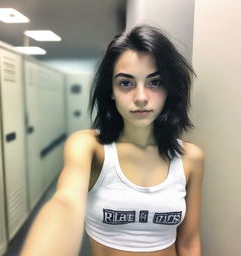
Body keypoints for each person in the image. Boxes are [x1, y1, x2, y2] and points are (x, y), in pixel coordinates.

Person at [21, 25, 204, 256]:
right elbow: (65, 203)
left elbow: (188, 242)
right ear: (111, 90)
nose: (140, 98)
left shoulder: (191, 158)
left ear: (169, 88)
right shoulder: (90, 147)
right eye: (126, 83)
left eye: (155, 82)